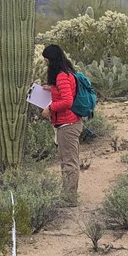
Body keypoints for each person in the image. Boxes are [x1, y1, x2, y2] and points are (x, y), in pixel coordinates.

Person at [40, 44, 83, 203]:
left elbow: (67, 101)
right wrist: (50, 89)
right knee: (68, 160)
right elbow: (64, 93)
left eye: (47, 61)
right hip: (67, 123)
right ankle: (67, 195)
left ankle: (69, 198)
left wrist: (49, 108)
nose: (46, 64)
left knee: (69, 162)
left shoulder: (61, 76)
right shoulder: (66, 74)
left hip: (68, 124)